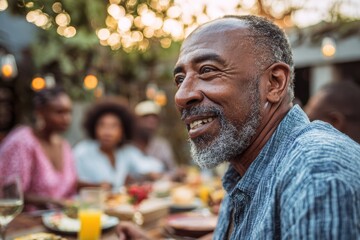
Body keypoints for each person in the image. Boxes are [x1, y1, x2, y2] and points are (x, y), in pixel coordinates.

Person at [116, 15, 360, 239]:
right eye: (180, 79)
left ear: (274, 83)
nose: (181, 96)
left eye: (207, 71)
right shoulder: (245, 168)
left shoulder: (317, 174)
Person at [0, 87, 77, 211]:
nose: (66, 118)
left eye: (69, 112)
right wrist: (50, 201)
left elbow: (69, 186)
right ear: (40, 112)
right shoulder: (22, 142)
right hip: (26, 223)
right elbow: (10, 194)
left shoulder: (64, 145)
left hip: (60, 221)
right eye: (59, 112)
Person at [73, 98, 164, 192]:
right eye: (102, 125)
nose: (107, 132)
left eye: (114, 126)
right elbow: (73, 183)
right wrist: (97, 186)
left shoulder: (126, 152)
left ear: (123, 131)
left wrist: (150, 173)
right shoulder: (82, 151)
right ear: (94, 128)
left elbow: (151, 166)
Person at [134, 100, 177, 172]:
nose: (150, 122)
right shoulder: (128, 146)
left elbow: (172, 170)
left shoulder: (162, 145)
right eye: (145, 118)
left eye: (154, 118)